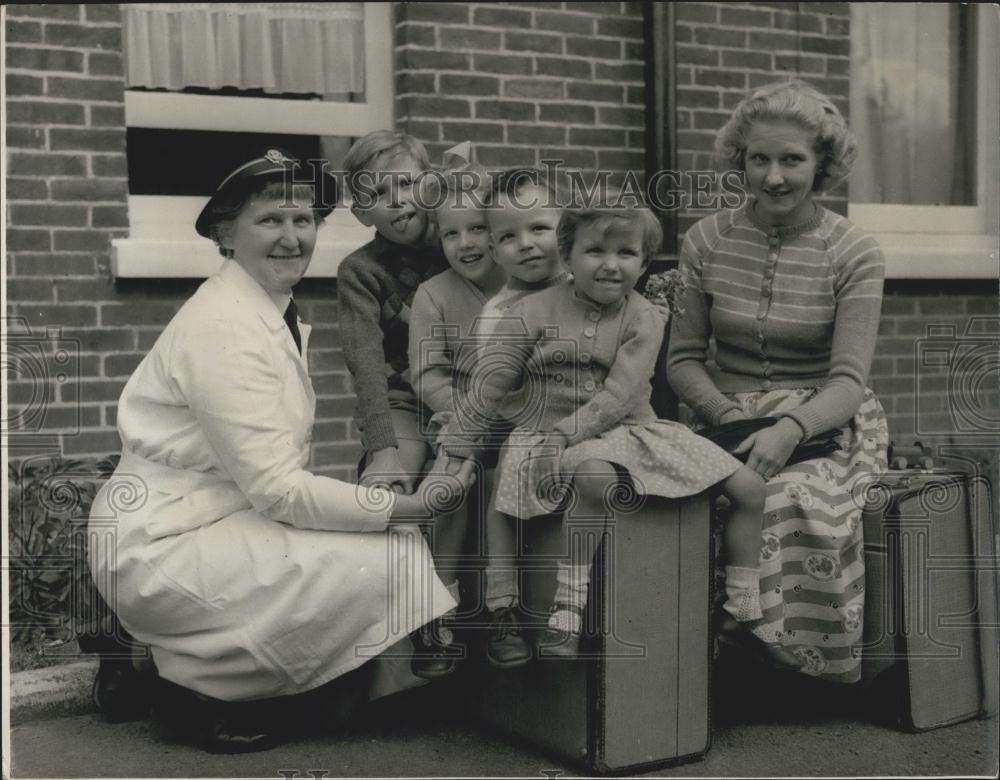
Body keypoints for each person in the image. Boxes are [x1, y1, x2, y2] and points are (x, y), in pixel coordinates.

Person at [87, 149, 475, 753]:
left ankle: (147, 654)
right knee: (392, 560)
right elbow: (278, 490)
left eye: (304, 220)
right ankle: (193, 693)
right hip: (168, 541)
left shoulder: (264, 306)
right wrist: (412, 508)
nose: (292, 237)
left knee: (382, 550)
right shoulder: (222, 326)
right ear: (225, 233)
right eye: (270, 220)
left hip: (207, 518)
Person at [442, 193, 767, 659]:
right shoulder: (530, 312)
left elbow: (623, 394)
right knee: (587, 479)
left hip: (630, 429)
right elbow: (490, 384)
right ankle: (554, 613)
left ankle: (742, 609)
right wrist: (456, 444)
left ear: (644, 261)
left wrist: (567, 435)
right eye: (595, 251)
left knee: (750, 486)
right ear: (568, 255)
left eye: (626, 253)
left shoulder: (645, 317)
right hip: (546, 432)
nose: (611, 265)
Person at [667, 79, 888, 682]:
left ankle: (790, 664)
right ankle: (698, 661)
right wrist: (729, 417)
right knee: (683, 502)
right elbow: (682, 359)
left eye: (792, 159)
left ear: (823, 164)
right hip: (724, 416)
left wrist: (790, 428)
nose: (773, 177)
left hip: (824, 422)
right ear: (740, 159)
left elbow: (848, 380)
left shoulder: (854, 251)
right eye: (758, 158)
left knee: (791, 501)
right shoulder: (704, 240)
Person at [404, 144, 507, 677]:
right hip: (461, 419)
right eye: (450, 233)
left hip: (524, 418)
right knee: (449, 486)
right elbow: (427, 373)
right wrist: (466, 417)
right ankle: (436, 610)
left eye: (477, 228)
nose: (465, 243)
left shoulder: (529, 287)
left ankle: (505, 612)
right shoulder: (434, 295)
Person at [338, 131, 449, 496]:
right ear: (361, 213)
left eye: (405, 183)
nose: (397, 201)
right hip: (405, 404)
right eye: (377, 194)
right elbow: (366, 365)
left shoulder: (460, 248)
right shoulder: (361, 271)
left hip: (469, 397)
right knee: (389, 484)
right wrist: (383, 450)